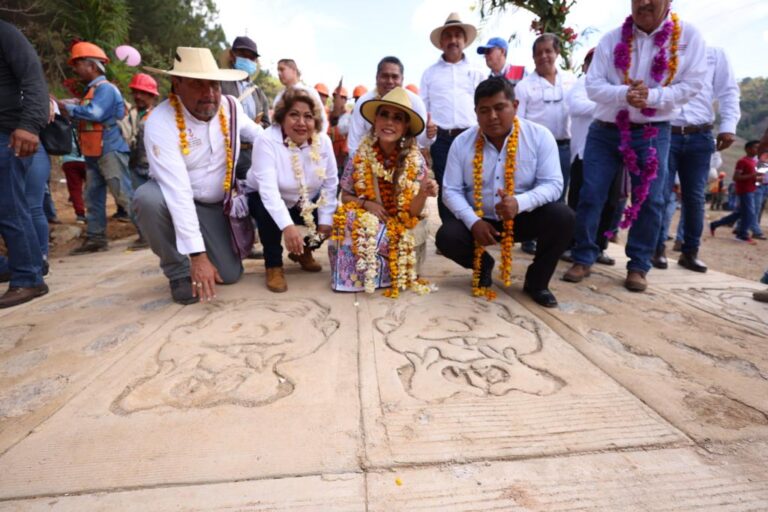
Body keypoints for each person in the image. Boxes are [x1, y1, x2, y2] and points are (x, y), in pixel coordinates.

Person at [563, 0, 706, 292]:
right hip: (605, 131)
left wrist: (652, 97)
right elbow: (593, 86)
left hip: (652, 131)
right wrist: (624, 94)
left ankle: (639, 265)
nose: (644, 3)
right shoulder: (611, 38)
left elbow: (692, 84)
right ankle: (583, 255)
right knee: (591, 194)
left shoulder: (689, 37)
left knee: (651, 200)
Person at [135, 47, 264, 304]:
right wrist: (197, 257)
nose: (210, 94)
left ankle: (209, 249)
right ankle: (178, 271)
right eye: (198, 85)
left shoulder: (231, 107)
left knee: (229, 275)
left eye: (214, 85)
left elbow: (261, 138)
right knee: (146, 199)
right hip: (173, 199)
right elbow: (178, 191)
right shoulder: (160, 121)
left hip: (216, 205)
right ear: (177, 84)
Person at [437, 77, 574, 308]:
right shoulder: (462, 143)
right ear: (476, 113)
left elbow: (553, 184)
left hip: (522, 217)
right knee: (446, 237)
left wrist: (519, 203)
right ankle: (483, 264)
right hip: (481, 220)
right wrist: (473, 222)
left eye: (500, 108)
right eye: (484, 110)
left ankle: (537, 283)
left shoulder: (539, 136)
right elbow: (450, 190)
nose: (492, 116)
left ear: (515, 106)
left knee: (564, 217)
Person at [330, 87, 438, 296]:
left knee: (388, 235)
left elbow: (412, 214)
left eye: (397, 118)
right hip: (368, 217)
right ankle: (351, 280)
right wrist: (368, 204)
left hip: (400, 223)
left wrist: (423, 193)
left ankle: (387, 277)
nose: (389, 123)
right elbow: (345, 196)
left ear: (406, 128)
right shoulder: (359, 155)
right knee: (346, 219)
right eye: (384, 115)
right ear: (375, 121)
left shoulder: (415, 161)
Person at [651, 46, 741, 273]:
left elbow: (728, 91)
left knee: (695, 197)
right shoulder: (659, 49)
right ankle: (656, 248)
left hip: (700, 134)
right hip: (666, 131)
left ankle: (690, 252)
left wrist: (728, 126)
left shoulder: (714, 54)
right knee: (660, 193)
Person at [247, 88, 338, 293]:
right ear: (281, 117)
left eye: (308, 116)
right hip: (264, 196)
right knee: (266, 210)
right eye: (294, 115)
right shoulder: (266, 140)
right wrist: (288, 227)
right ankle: (273, 266)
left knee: (338, 218)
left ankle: (303, 251)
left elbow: (331, 184)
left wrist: (325, 220)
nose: (301, 123)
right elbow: (268, 191)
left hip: (303, 199)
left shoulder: (323, 142)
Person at [60, 41, 135, 255]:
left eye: (78, 63)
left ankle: (149, 233)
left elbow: (95, 113)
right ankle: (96, 238)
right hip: (95, 151)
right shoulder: (92, 91)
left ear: (92, 66)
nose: (75, 69)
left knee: (123, 193)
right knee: (92, 196)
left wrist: (67, 107)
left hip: (109, 149)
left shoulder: (105, 89)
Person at [0, 20, 50, 308]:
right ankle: (11, 266)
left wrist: (30, 124)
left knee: (11, 206)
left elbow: (33, 80)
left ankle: (28, 278)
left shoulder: (6, 33)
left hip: (8, 134)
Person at [420, 12, 485, 222]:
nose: (453, 40)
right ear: (441, 42)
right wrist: (426, 138)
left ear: (464, 41)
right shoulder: (429, 74)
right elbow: (424, 108)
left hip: (472, 135)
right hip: (442, 138)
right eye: (448, 36)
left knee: (473, 183)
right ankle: (450, 231)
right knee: (446, 184)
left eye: (458, 35)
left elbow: (483, 103)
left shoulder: (477, 71)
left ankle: (472, 228)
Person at [564, 48, 617, 266]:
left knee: (611, 204)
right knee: (580, 201)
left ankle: (599, 246)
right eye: (592, 62)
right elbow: (576, 106)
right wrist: (607, 104)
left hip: (613, 153)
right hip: (584, 153)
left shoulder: (613, 86)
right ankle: (572, 244)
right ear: (586, 66)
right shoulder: (582, 83)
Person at [514, 33, 576, 201]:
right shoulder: (523, 86)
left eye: (548, 51)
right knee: (537, 195)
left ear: (556, 52)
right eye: (538, 53)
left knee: (560, 195)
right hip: (536, 150)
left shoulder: (571, 80)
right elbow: (518, 122)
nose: (543, 56)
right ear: (533, 57)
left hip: (565, 148)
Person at [348, 56, 435, 153]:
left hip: (406, 159)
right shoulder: (363, 102)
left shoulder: (415, 102)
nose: (390, 81)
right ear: (377, 78)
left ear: (402, 79)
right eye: (385, 76)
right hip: (369, 159)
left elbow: (422, 142)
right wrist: (358, 165)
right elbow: (354, 143)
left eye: (395, 77)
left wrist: (430, 134)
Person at [220, 36, 272, 182]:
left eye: (251, 58)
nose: (248, 60)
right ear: (232, 55)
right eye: (243, 55)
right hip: (223, 151)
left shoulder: (258, 93)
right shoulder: (219, 82)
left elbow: (268, 124)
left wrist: (259, 125)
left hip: (251, 153)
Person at [709, 140, 761, 244]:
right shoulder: (743, 161)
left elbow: (751, 177)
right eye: (755, 147)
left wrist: (757, 179)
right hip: (744, 191)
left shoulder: (753, 161)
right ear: (748, 149)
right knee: (750, 213)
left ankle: (714, 224)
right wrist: (753, 176)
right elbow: (736, 177)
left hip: (751, 189)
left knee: (739, 214)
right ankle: (742, 234)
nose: (757, 150)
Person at [274, 58, 328, 131]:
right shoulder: (279, 96)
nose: (279, 73)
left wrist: (316, 140)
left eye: (282, 69)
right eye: (278, 71)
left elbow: (321, 120)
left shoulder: (309, 92)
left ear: (293, 70)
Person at [328, 85, 351, 175]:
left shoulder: (349, 117)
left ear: (345, 100)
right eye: (335, 97)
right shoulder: (327, 114)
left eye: (340, 98)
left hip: (343, 158)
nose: (336, 100)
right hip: (329, 156)